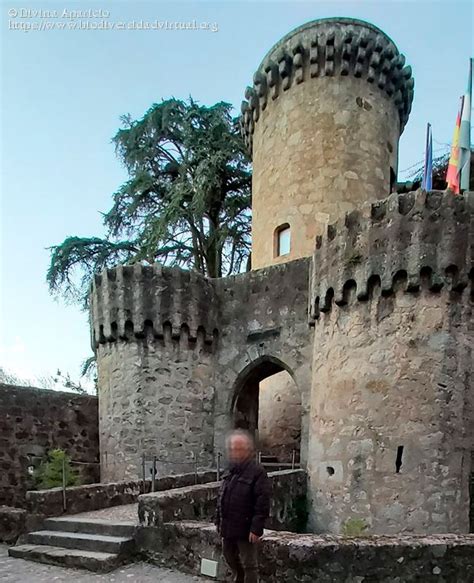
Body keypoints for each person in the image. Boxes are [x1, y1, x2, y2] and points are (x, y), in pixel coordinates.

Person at [215, 429, 271, 583]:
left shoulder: (257, 472)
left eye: (239, 448)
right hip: (228, 526)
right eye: (233, 448)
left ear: (248, 449)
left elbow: (262, 501)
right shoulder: (230, 470)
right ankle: (238, 579)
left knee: (249, 565)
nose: (236, 451)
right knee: (229, 556)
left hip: (246, 527)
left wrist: (256, 528)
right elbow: (222, 495)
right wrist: (218, 521)